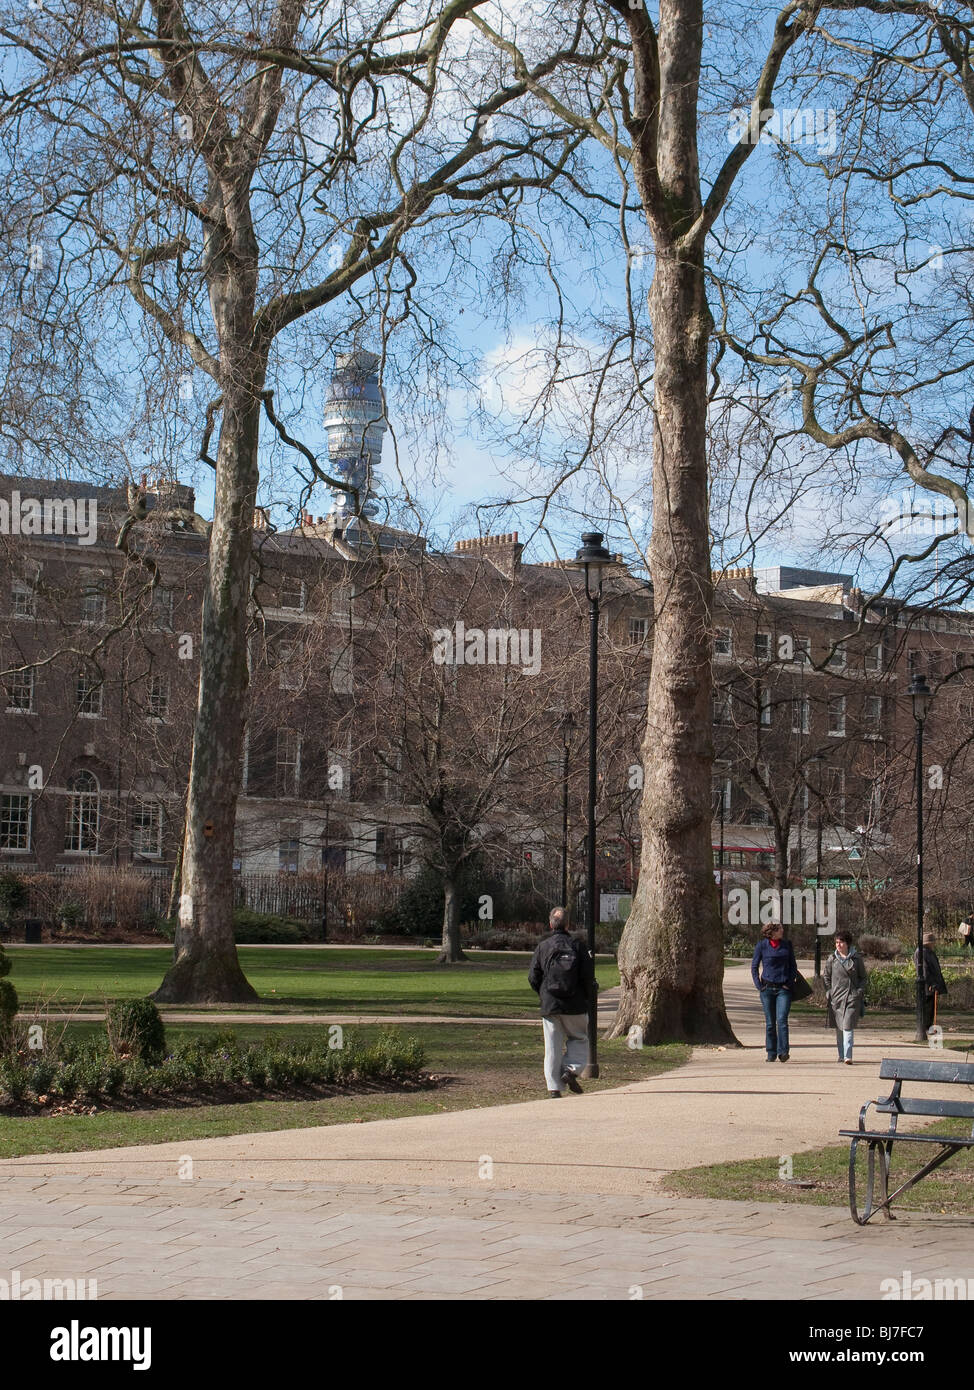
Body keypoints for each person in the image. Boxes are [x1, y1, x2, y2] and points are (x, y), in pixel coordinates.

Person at [527, 906, 597, 1097]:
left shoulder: (543, 947)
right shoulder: (578, 946)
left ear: (550, 923)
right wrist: (585, 997)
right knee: (579, 1038)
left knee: (552, 1047)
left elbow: (533, 976)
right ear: (568, 924)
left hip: (551, 1004)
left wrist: (543, 993)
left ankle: (554, 1088)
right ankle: (570, 1070)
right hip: (575, 1004)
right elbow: (587, 976)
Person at [751, 922, 799, 1062]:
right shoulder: (762, 946)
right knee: (770, 1023)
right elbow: (754, 966)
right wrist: (759, 985)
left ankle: (783, 1052)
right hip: (767, 989)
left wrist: (788, 983)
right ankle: (771, 1052)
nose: (782, 930)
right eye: (780, 929)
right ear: (772, 932)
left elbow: (793, 966)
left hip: (783, 989)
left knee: (782, 1020)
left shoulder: (786, 945)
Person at [823, 930, 868, 1064]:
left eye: (841, 942)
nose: (838, 945)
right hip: (836, 999)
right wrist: (829, 992)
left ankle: (848, 1056)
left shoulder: (856, 958)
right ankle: (841, 1055)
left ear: (847, 943)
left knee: (847, 1025)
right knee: (839, 1029)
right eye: (836, 942)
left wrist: (859, 992)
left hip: (852, 997)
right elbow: (826, 977)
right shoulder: (832, 959)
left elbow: (863, 977)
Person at [914, 932, 948, 1036]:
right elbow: (924, 969)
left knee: (931, 1006)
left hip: (933, 982)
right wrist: (930, 983)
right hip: (927, 984)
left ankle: (929, 1027)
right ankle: (925, 1027)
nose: (934, 944)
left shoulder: (929, 952)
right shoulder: (921, 952)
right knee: (927, 1006)